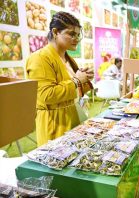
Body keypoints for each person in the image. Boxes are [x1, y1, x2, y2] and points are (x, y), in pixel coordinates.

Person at [26, 11, 94, 146]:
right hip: (55, 125)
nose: (76, 38)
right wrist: (76, 80)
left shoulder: (67, 58)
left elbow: (72, 90)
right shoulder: (39, 58)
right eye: (71, 34)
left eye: (78, 34)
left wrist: (83, 78)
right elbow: (46, 95)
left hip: (72, 118)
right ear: (56, 32)